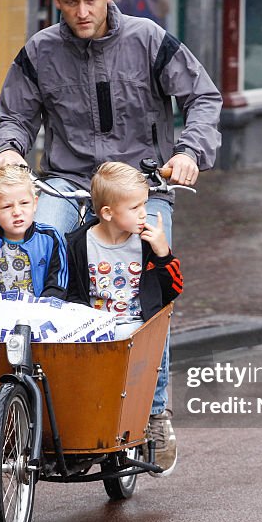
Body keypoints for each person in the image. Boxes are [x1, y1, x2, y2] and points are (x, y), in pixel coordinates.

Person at [0, 0, 221, 473]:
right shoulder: (39, 52)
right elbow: (14, 118)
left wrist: (189, 152)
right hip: (69, 185)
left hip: (144, 185)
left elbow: (203, 98)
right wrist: (7, 149)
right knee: (34, 242)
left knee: (146, 289)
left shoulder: (148, 40)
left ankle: (155, 413)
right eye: (71, 3)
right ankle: (31, 395)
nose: (84, 12)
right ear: (55, 0)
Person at [65, 162, 182, 475]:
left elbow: (172, 292)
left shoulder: (145, 243)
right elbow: (72, 292)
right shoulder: (78, 243)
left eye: (144, 204)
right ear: (107, 213)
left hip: (135, 326)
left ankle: (154, 418)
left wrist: (162, 254)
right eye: (135, 207)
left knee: (144, 360)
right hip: (95, 327)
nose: (143, 213)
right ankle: (82, 441)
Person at [0, 163, 68, 301]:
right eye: (7, 206)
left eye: (24, 203)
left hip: (41, 313)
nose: (17, 212)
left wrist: (43, 308)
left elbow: (58, 280)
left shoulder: (50, 237)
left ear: (35, 204)